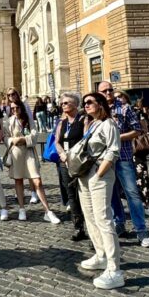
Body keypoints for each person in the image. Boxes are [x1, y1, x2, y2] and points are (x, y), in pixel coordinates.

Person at [75, 92, 124, 289]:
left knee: (104, 219)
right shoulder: (93, 123)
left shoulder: (109, 124)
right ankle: (101, 254)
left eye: (89, 103)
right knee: (90, 217)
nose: (85, 106)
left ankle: (115, 270)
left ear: (101, 104)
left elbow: (113, 150)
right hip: (86, 175)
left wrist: (100, 172)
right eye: (84, 103)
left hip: (99, 174)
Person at [97, 82, 149, 247]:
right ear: (98, 93)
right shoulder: (97, 110)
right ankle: (119, 223)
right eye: (104, 90)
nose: (108, 92)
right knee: (111, 194)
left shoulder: (125, 108)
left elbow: (137, 130)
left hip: (123, 156)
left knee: (132, 194)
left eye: (110, 89)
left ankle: (141, 230)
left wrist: (116, 137)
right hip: (103, 159)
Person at [5, 97, 59, 222]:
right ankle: (22, 208)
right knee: (18, 180)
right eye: (12, 108)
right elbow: (6, 137)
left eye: (16, 108)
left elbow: (35, 135)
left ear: (21, 108)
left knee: (37, 181)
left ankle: (48, 211)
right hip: (16, 152)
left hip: (29, 152)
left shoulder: (28, 120)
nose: (14, 110)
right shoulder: (9, 121)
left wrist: (23, 139)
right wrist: (12, 140)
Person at [117, 90, 149, 220]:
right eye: (116, 98)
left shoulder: (135, 111)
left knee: (141, 176)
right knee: (120, 181)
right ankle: (131, 204)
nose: (118, 99)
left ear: (126, 98)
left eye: (120, 96)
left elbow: (143, 129)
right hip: (119, 151)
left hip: (135, 148)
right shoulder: (111, 113)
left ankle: (147, 205)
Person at [55, 92, 87, 241]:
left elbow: (86, 140)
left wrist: (72, 155)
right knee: (71, 196)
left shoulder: (83, 120)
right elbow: (57, 142)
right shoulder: (62, 123)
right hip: (65, 162)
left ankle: (92, 228)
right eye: (62, 103)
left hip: (80, 162)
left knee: (84, 194)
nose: (63, 105)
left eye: (67, 102)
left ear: (76, 104)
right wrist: (62, 154)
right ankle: (78, 227)